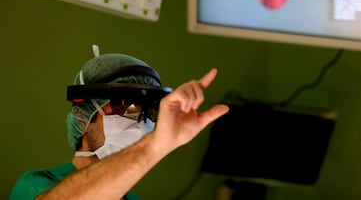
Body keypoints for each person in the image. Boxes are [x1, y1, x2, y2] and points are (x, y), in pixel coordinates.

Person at [10, 47, 229, 199]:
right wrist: (155, 145)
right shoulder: (36, 186)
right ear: (81, 116)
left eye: (149, 110)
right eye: (126, 106)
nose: (140, 122)